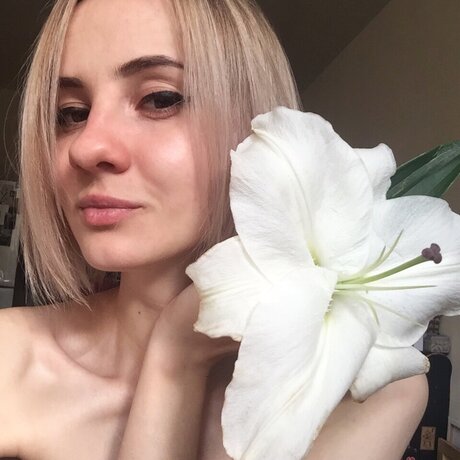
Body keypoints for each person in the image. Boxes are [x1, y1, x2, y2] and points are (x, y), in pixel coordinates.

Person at [0, 0, 428, 458]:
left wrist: (176, 359)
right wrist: (176, 355)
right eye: (71, 112)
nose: (86, 147)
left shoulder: (372, 395)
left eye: (159, 99)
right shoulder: (10, 358)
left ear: (254, 124)